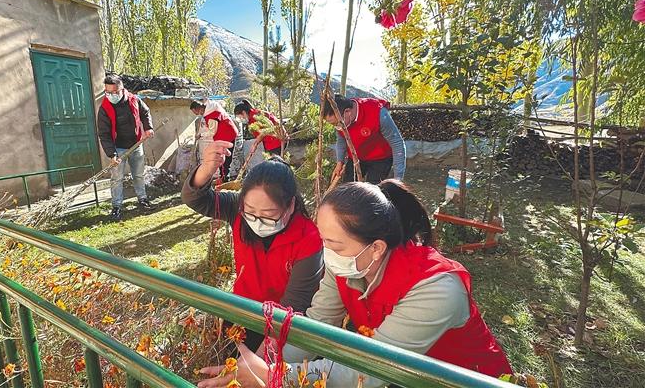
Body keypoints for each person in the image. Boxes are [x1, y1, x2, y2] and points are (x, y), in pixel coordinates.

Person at [197, 180, 512, 388]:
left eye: (334, 244)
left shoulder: (437, 289)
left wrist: (275, 376)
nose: (326, 254)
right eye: (323, 240)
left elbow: (371, 369)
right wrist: (264, 363)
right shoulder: (348, 264)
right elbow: (316, 327)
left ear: (376, 248)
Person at [182, 141, 324, 353]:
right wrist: (206, 169)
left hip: (280, 328)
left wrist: (255, 362)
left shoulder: (309, 238)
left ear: (291, 206)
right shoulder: (236, 210)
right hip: (241, 314)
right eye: (249, 211)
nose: (256, 221)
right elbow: (197, 200)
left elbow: (293, 306)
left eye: (268, 215)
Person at [97, 74, 155, 221]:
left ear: (122, 89)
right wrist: (112, 154)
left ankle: (142, 199)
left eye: (115, 92)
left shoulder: (134, 100)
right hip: (118, 148)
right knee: (117, 178)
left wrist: (148, 127)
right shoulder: (104, 108)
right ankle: (116, 206)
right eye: (108, 92)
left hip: (136, 144)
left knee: (138, 175)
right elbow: (104, 134)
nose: (111, 95)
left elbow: (145, 112)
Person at [324, 95, 406, 184]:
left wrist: (398, 178)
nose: (336, 127)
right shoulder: (341, 119)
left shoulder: (378, 113)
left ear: (347, 112)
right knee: (349, 188)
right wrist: (340, 162)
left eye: (336, 123)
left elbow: (397, 143)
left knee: (373, 189)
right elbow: (341, 139)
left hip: (381, 159)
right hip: (355, 157)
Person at [191, 100, 239, 180]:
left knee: (223, 159)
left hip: (227, 135)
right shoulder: (212, 106)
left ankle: (225, 178)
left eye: (196, 112)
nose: (197, 114)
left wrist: (201, 135)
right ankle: (223, 177)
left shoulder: (212, 114)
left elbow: (212, 131)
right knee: (222, 158)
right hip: (227, 133)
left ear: (199, 109)